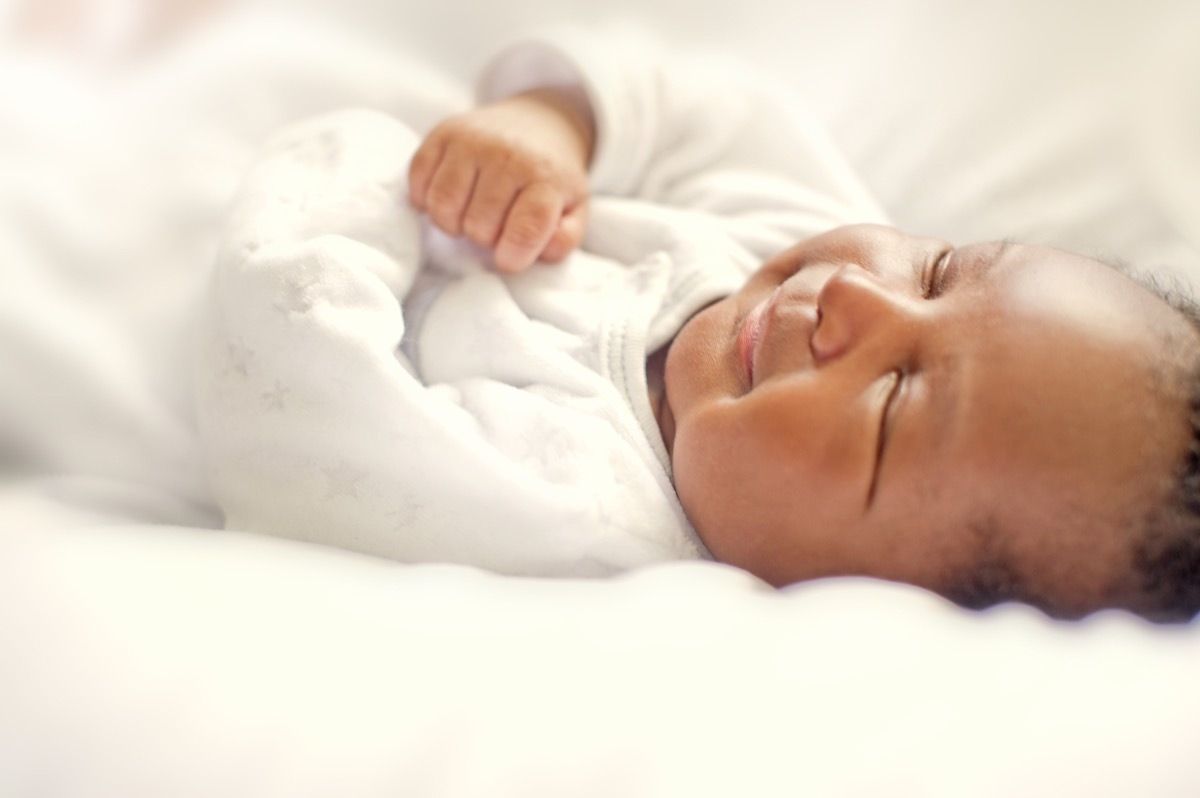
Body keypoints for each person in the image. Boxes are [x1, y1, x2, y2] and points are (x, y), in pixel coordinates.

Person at [197, 29, 1200, 622]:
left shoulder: (573, 518)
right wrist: (552, 127)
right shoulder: (785, 226)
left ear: (875, 604)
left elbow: (293, 391)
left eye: (897, 401)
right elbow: (692, 102)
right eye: (943, 269)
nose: (863, 297)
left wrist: (378, 173)